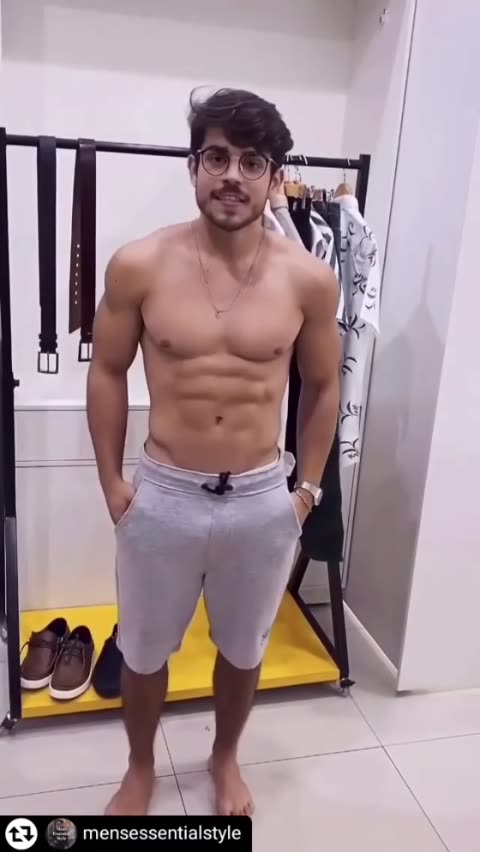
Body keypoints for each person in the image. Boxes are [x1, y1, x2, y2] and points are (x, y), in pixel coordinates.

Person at [86, 87, 341, 818]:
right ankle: (140, 767)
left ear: (274, 176)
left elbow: (324, 387)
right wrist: (112, 484)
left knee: (243, 647)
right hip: (163, 495)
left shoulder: (308, 279)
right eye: (217, 157)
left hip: (261, 499)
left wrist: (306, 491)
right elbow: (106, 371)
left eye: (251, 161)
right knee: (142, 650)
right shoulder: (139, 265)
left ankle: (224, 759)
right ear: (193, 166)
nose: (232, 175)